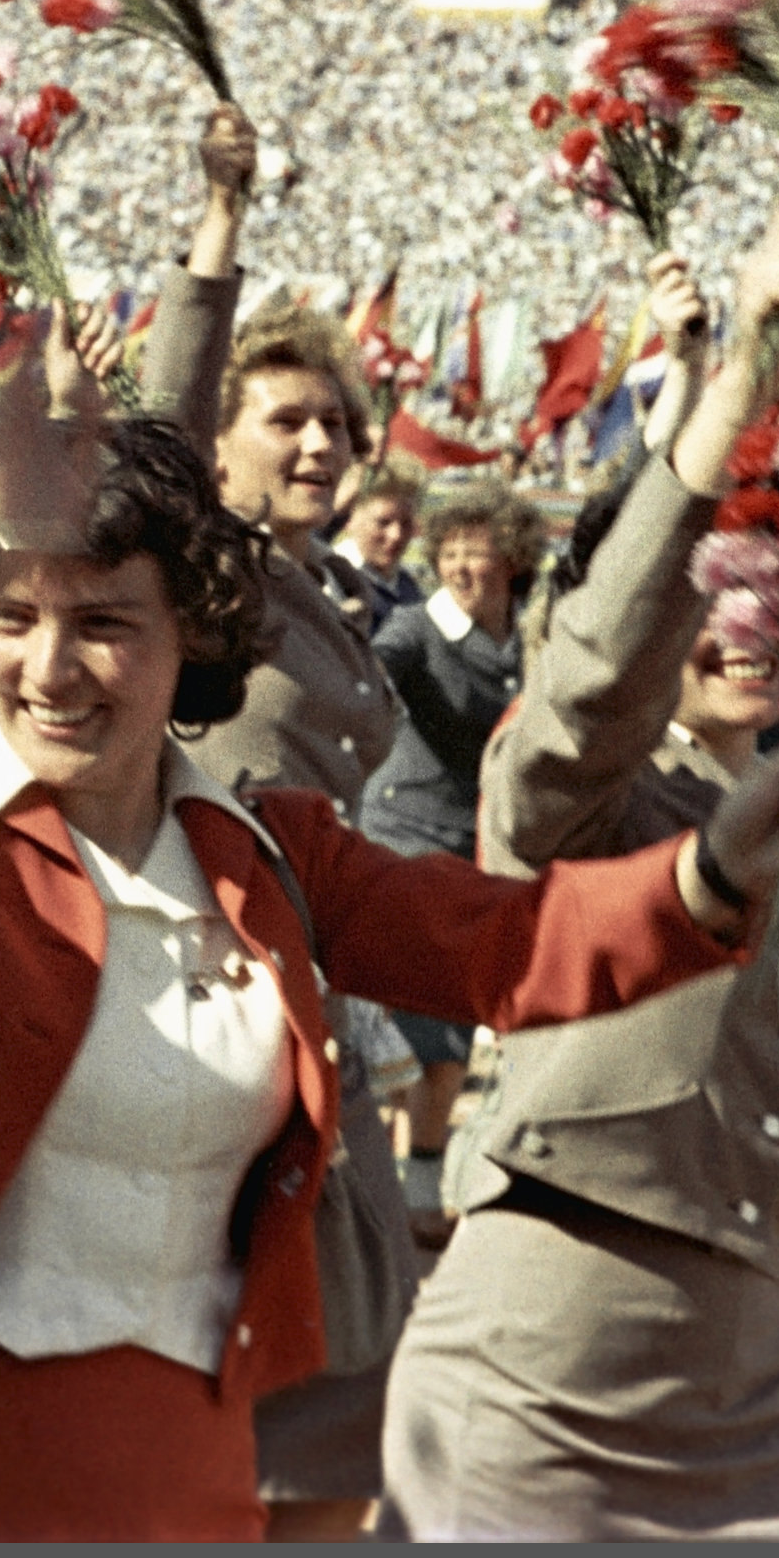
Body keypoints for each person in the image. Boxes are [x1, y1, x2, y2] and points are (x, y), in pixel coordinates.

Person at [0, 311, 779, 1540]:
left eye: (105, 622)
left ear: (187, 633)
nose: (52, 666)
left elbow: (504, 941)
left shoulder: (265, 852)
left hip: (187, 1464)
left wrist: (719, 866)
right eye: (13, 619)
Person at [391, 223, 779, 1541]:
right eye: (712, 589)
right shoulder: (572, 792)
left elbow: (759, 1107)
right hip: (557, 1345)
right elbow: (594, 680)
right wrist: (732, 397)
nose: (744, 620)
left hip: (762, 1360)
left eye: (772, 592)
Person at [141, 104, 410, 1536]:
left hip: (329, 1010)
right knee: (239, 1453)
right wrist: (221, 227)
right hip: (213, 1003)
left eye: (336, 424)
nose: (318, 445)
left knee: (337, 1448)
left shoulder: (330, 596)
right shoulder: (200, 579)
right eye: (286, 420)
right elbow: (159, 420)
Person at [357, 478, 546, 1239]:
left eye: (480, 554)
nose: (464, 569)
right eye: (451, 555)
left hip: (473, 847)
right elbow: (380, 660)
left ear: (514, 561)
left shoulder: (530, 646)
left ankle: (422, 1185)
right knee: (401, 1022)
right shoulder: (415, 627)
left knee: (450, 1029)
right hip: (399, 837)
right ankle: (374, 1182)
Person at [332, 461, 426, 629]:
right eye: (383, 522)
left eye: (406, 523)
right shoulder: (330, 580)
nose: (396, 535)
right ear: (351, 519)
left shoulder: (408, 588)